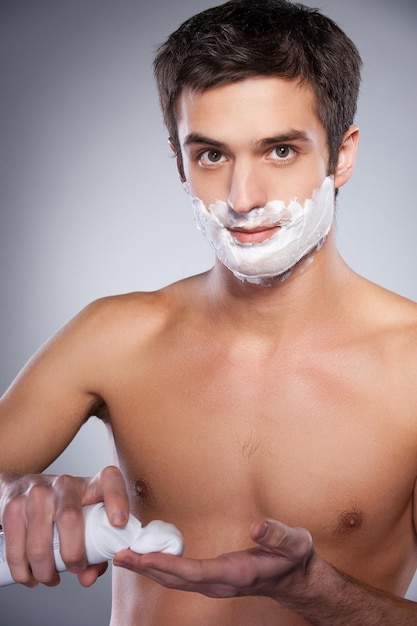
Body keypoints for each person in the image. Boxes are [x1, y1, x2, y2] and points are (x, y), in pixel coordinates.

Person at [1, 0, 417, 624]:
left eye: (280, 151)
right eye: (212, 156)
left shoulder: (410, 368)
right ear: (179, 161)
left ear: (342, 155)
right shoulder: (114, 337)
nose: (243, 199)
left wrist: (313, 589)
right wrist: (16, 497)